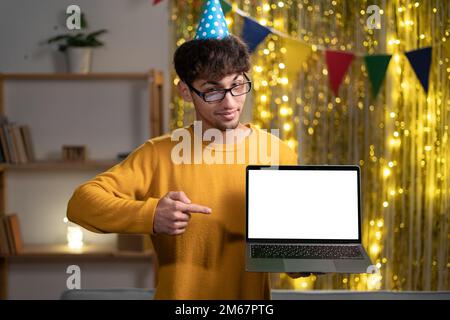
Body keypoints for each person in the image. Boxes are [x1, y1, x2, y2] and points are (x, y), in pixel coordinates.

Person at [67, 0, 308, 299]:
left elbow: (287, 255)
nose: (230, 102)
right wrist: (150, 214)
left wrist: (304, 259)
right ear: (185, 91)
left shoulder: (280, 153)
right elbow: (80, 204)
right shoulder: (157, 154)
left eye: (237, 84)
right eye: (212, 90)